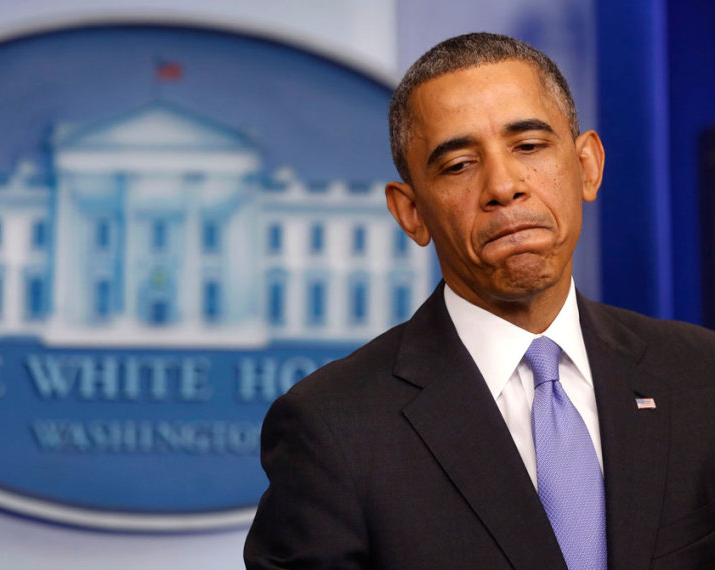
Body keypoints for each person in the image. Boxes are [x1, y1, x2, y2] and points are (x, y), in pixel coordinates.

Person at [244, 32, 715, 569]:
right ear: (411, 213)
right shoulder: (332, 428)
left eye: (529, 146)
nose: (503, 186)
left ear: (587, 165)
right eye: (459, 164)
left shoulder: (700, 375)